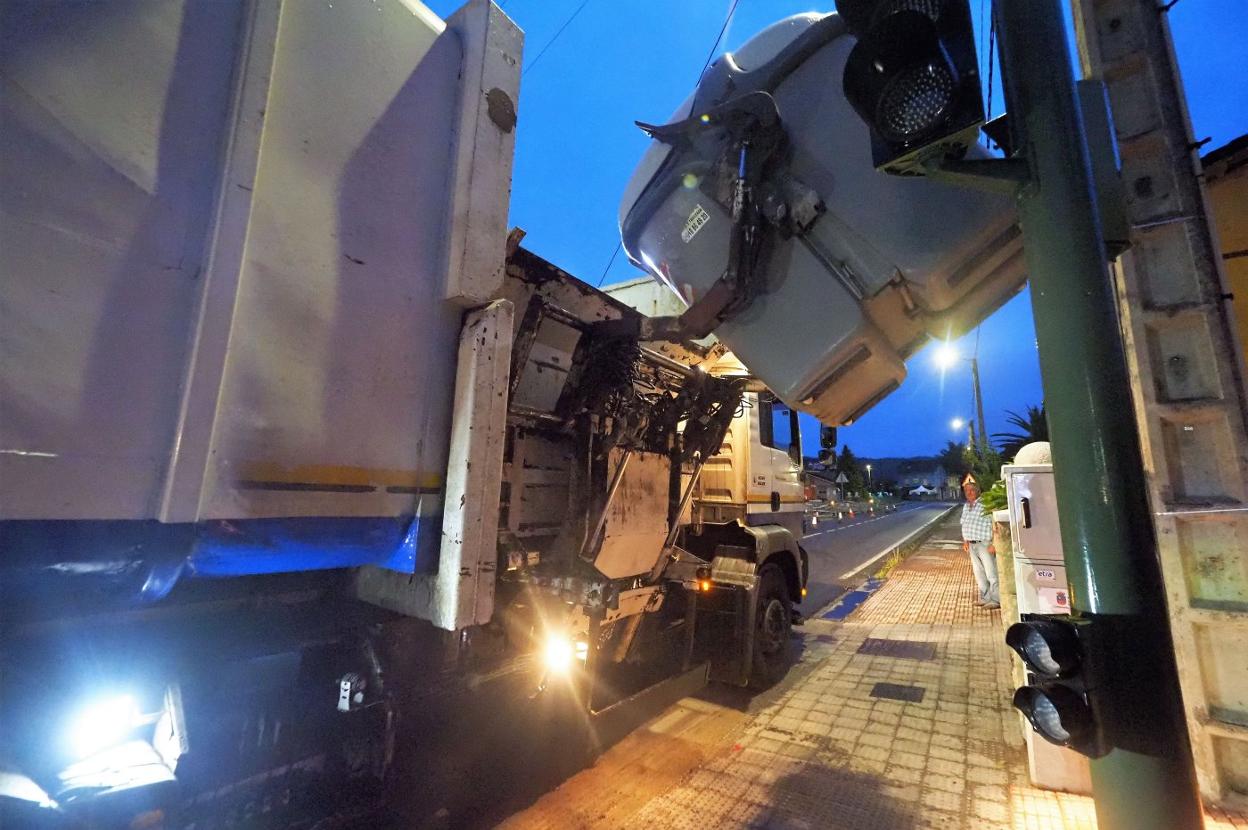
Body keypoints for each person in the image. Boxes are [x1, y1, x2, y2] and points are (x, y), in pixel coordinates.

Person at [960, 478, 999, 609]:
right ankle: (985, 597)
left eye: (972, 490)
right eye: (966, 491)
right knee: (979, 573)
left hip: (985, 544)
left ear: (978, 491)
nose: (969, 493)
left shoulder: (985, 504)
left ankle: (996, 599)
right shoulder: (966, 506)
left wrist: (994, 543)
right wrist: (965, 541)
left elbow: (995, 524)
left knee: (991, 573)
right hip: (972, 544)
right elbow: (964, 523)